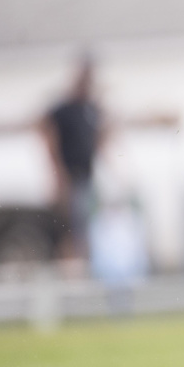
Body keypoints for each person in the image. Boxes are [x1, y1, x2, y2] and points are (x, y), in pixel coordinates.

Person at [40, 55, 106, 266]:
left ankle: (86, 264)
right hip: (71, 177)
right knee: (70, 226)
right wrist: (58, 175)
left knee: (87, 223)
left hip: (87, 176)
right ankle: (72, 267)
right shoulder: (63, 109)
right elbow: (49, 138)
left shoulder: (90, 108)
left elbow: (99, 137)